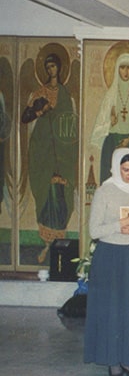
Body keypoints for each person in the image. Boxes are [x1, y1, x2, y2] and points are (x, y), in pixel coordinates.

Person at [84, 148, 129, 376]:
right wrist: (120, 224)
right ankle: (113, 361)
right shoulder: (105, 191)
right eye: (126, 170)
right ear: (116, 168)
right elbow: (95, 230)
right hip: (111, 255)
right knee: (112, 309)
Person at [22, 52, 78, 262]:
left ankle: (56, 244)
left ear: (60, 69)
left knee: (60, 193)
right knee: (45, 192)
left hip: (62, 152)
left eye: (54, 67)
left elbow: (70, 123)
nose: (51, 70)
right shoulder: (40, 92)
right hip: (42, 149)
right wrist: (40, 111)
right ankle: (47, 244)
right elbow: (24, 117)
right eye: (48, 67)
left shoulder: (66, 94)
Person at [90, 52, 129, 182]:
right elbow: (99, 127)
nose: (126, 71)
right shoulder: (110, 96)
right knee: (111, 178)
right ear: (117, 69)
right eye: (122, 67)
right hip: (113, 142)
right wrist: (110, 124)